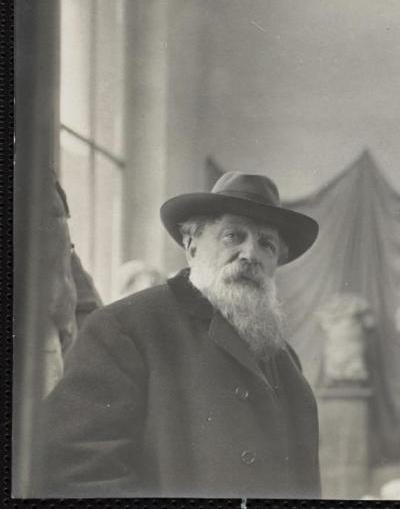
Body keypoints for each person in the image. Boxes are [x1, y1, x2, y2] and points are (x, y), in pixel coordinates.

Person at [35, 172, 321, 498]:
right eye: (233, 237)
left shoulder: (284, 360)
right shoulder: (124, 327)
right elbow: (77, 472)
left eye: (266, 244)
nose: (250, 254)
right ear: (191, 245)